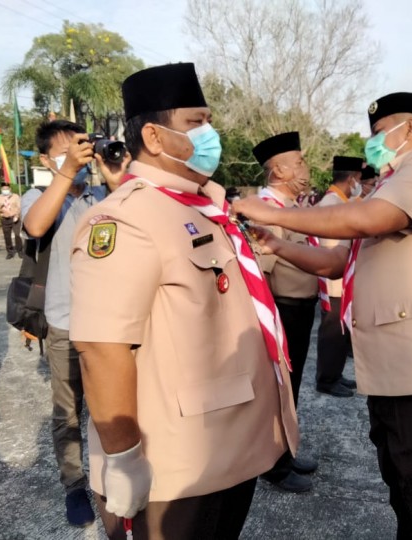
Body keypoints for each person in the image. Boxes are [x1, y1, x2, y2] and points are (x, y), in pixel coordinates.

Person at [234, 92, 412, 538]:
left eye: (378, 132)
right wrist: (276, 245)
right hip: (400, 369)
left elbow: (363, 220)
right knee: (409, 494)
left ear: (407, 129)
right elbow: (342, 263)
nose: (372, 143)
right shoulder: (395, 182)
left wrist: (272, 214)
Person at [69, 63, 300, 539]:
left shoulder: (204, 207)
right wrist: (123, 457)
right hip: (175, 463)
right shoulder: (125, 220)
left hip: (231, 447)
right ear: (153, 137)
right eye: (196, 123)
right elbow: (101, 348)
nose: (209, 133)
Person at [21, 119, 127, 527]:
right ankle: (74, 485)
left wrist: (113, 170)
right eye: (66, 150)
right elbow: (35, 226)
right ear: (47, 159)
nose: (78, 155)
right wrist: (67, 173)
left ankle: (117, 472)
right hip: (65, 323)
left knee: (116, 406)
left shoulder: (104, 193)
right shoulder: (38, 196)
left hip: (112, 322)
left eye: (82, 145)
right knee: (68, 412)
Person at [252, 131, 320, 493]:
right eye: (299, 162)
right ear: (277, 170)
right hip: (282, 309)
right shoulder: (265, 210)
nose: (305, 169)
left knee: (290, 390)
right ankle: (275, 466)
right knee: (279, 389)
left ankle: (286, 453)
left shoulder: (291, 209)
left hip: (301, 307)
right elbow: (261, 272)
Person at [314, 155, 362, 398]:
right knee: (332, 332)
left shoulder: (342, 201)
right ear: (352, 179)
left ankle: (335, 374)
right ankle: (326, 379)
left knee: (341, 332)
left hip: (343, 280)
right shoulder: (331, 203)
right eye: (360, 179)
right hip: (334, 280)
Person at [0, 182, 23, 259]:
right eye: (3, 189)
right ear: (1, 189)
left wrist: (17, 215)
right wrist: (1, 210)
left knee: (17, 234)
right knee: (7, 236)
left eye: (6, 189)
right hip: (5, 219)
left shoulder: (15, 196)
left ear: (10, 189)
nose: (5, 190)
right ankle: (10, 251)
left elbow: (19, 207)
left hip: (14, 218)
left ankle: (20, 250)